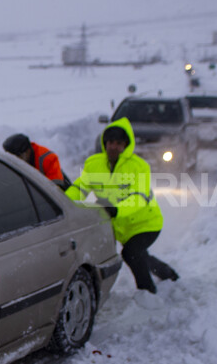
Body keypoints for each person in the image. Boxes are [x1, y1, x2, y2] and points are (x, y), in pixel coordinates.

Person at [65, 118, 179, 294]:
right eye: (110, 142)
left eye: (119, 143)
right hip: (121, 227)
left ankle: (147, 291)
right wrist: (64, 202)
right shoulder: (94, 164)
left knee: (131, 253)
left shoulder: (139, 167)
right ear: (105, 143)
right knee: (139, 255)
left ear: (126, 145)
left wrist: (117, 210)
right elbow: (81, 187)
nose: (113, 147)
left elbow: (139, 197)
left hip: (146, 224)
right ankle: (168, 273)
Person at [2, 133, 70, 191]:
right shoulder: (12, 162)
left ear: (27, 151)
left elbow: (56, 190)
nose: (16, 160)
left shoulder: (47, 158)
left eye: (18, 157)